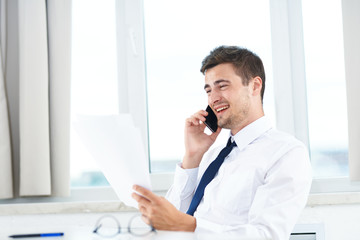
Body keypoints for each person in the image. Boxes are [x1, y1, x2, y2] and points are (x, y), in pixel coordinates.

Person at [132, 46, 312, 240]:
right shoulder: (211, 155)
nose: (213, 98)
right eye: (208, 90)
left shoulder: (286, 153)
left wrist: (188, 225)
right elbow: (170, 221)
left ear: (254, 86)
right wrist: (192, 156)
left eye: (222, 86)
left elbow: (267, 235)